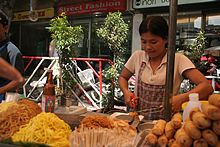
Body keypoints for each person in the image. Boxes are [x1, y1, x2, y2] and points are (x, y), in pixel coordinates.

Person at [118, 16, 213, 120]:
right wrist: (126, 92)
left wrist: (181, 99)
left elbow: (206, 87)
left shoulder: (178, 59)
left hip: (164, 125)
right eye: (144, 42)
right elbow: (123, 77)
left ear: (166, 39)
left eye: (153, 42)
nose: (148, 47)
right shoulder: (138, 56)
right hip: (137, 120)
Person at [0, 10, 24, 102]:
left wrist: (1, 90)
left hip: (3, 102)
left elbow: (19, 80)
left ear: (5, 28)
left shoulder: (12, 51)